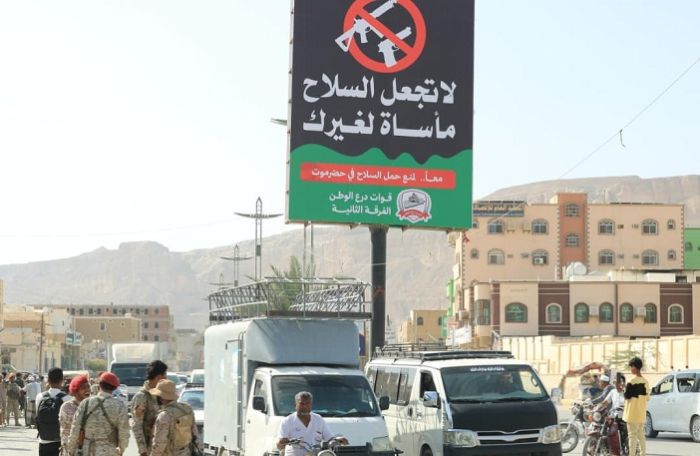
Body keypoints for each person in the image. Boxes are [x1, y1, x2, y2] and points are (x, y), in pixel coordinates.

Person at [66, 372, 130, 456]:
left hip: (87, 451)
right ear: (114, 388)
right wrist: (121, 449)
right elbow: (124, 433)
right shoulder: (120, 406)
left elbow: (75, 428)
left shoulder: (86, 403)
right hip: (109, 451)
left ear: (99, 385)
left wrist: (71, 450)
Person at [277, 391, 347, 456]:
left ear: (311, 404)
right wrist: (283, 442)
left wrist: (338, 440)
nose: (305, 406)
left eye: (308, 403)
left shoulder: (318, 419)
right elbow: (279, 445)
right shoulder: (287, 421)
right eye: (302, 404)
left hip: (315, 453)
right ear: (295, 405)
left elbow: (329, 438)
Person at [150, 379, 201, 456]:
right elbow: (195, 434)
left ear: (161, 397)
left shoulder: (164, 415)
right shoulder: (187, 409)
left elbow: (160, 443)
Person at [131, 360, 167, 456]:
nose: (166, 378)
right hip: (151, 449)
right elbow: (137, 425)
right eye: (165, 375)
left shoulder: (163, 394)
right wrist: (143, 451)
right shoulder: (142, 396)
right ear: (158, 377)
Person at [36, 367, 71, 456]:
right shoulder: (68, 398)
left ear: (48, 380)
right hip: (60, 442)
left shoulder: (40, 397)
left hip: (43, 441)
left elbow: (37, 416)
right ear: (62, 380)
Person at [623, 357, 650, 456]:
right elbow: (647, 397)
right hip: (641, 414)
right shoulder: (645, 382)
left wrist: (623, 389)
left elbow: (626, 396)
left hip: (631, 414)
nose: (631, 369)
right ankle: (643, 454)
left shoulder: (631, 381)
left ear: (635, 367)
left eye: (631, 367)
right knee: (641, 436)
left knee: (632, 436)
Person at [59, 375, 91, 456]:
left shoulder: (92, 406)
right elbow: (64, 431)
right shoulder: (66, 407)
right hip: (71, 450)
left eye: (88, 386)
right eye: (83, 388)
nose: (87, 390)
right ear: (76, 390)